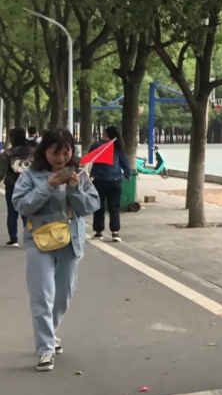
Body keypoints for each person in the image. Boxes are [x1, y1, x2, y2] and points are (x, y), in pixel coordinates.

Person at [12, 129, 101, 371]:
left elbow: (90, 206)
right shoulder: (31, 175)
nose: (61, 158)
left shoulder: (80, 174)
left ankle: (49, 332)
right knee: (42, 296)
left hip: (70, 243)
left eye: (66, 152)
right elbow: (21, 205)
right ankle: (45, 349)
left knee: (63, 295)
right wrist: (49, 186)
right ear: (44, 152)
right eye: (55, 153)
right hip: (39, 242)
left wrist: (74, 190)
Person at [89, 126, 132, 242]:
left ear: (105, 134)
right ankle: (115, 232)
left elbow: (90, 158)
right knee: (114, 207)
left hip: (99, 180)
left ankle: (98, 232)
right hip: (115, 180)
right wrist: (128, 174)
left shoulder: (96, 146)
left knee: (99, 206)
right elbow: (125, 163)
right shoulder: (117, 146)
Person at [1, 127, 34, 246]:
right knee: (27, 212)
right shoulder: (32, 152)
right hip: (29, 185)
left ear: (12, 138)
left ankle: (13, 239)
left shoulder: (7, 154)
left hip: (12, 185)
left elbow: (1, 172)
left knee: (12, 212)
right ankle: (29, 236)